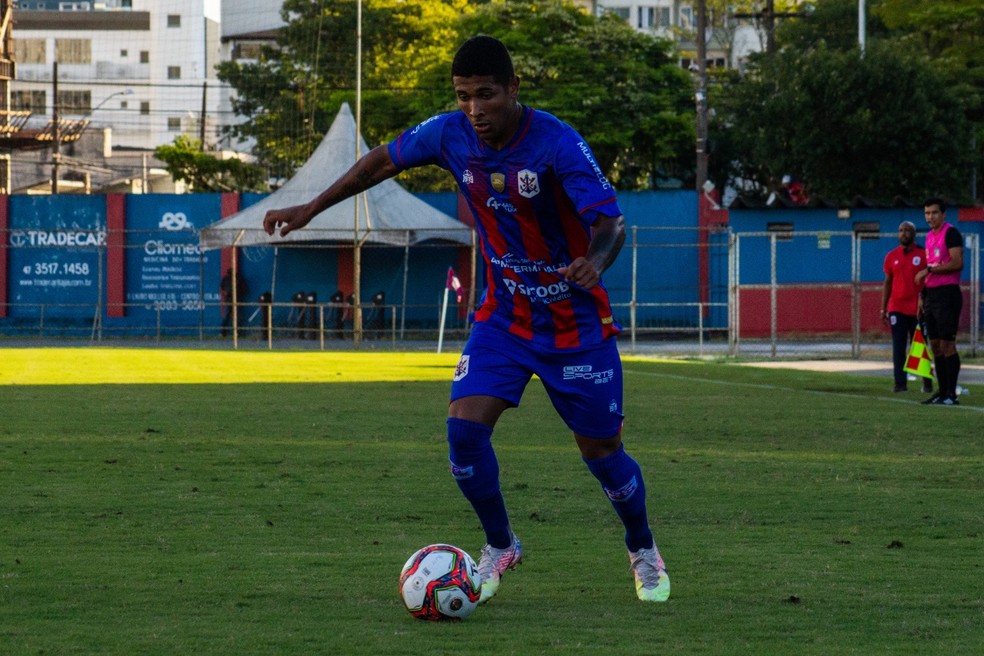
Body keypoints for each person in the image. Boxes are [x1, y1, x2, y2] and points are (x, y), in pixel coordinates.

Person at [262, 36, 669, 603]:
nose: (474, 109)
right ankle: (501, 544)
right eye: (463, 97)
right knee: (463, 431)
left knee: (602, 454)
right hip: (504, 317)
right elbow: (379, 161)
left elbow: (612, 223)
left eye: (485, 95)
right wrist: (308, 209)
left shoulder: (557, 144)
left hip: (574, 327)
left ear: (512, 89)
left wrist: (594, 262)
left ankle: (642, 547)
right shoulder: (449, 134)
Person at [915, 198, 964, 406]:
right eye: (927, 213)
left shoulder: (951, 233)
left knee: (947, 345)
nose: (930, 217)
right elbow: (932, 265)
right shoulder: (928, 237)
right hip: (931, 296)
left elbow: (957, 262)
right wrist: (922, 296)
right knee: (934, 345)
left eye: (934, 213)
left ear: (943, 214)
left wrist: (930, 270)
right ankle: (941, 392)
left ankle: (951, 394)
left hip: (947, 294)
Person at [881, 221, 932, 393]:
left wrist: (925, 299)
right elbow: (887, 283)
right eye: (901, 230)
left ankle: (927, 382)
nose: (903, 233)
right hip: (897, 307)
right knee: (898, 347)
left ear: (914, 234)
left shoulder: (923, 254)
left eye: (907, 230)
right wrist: (883, 308)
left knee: (920, 346)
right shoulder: (891, 256)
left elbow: (930, 280)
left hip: (918, 309)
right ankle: (900, 384)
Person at [220, 268, 247, 337]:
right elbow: (222, 288)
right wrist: (225, 292)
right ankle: (223, 332)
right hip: (229, 300)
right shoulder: (226, 279)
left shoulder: (238, 279)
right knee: (228, 316)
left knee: (237, 317)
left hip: (237, 300)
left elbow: (244, 289)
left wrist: (239, 294)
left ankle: (237, 332)